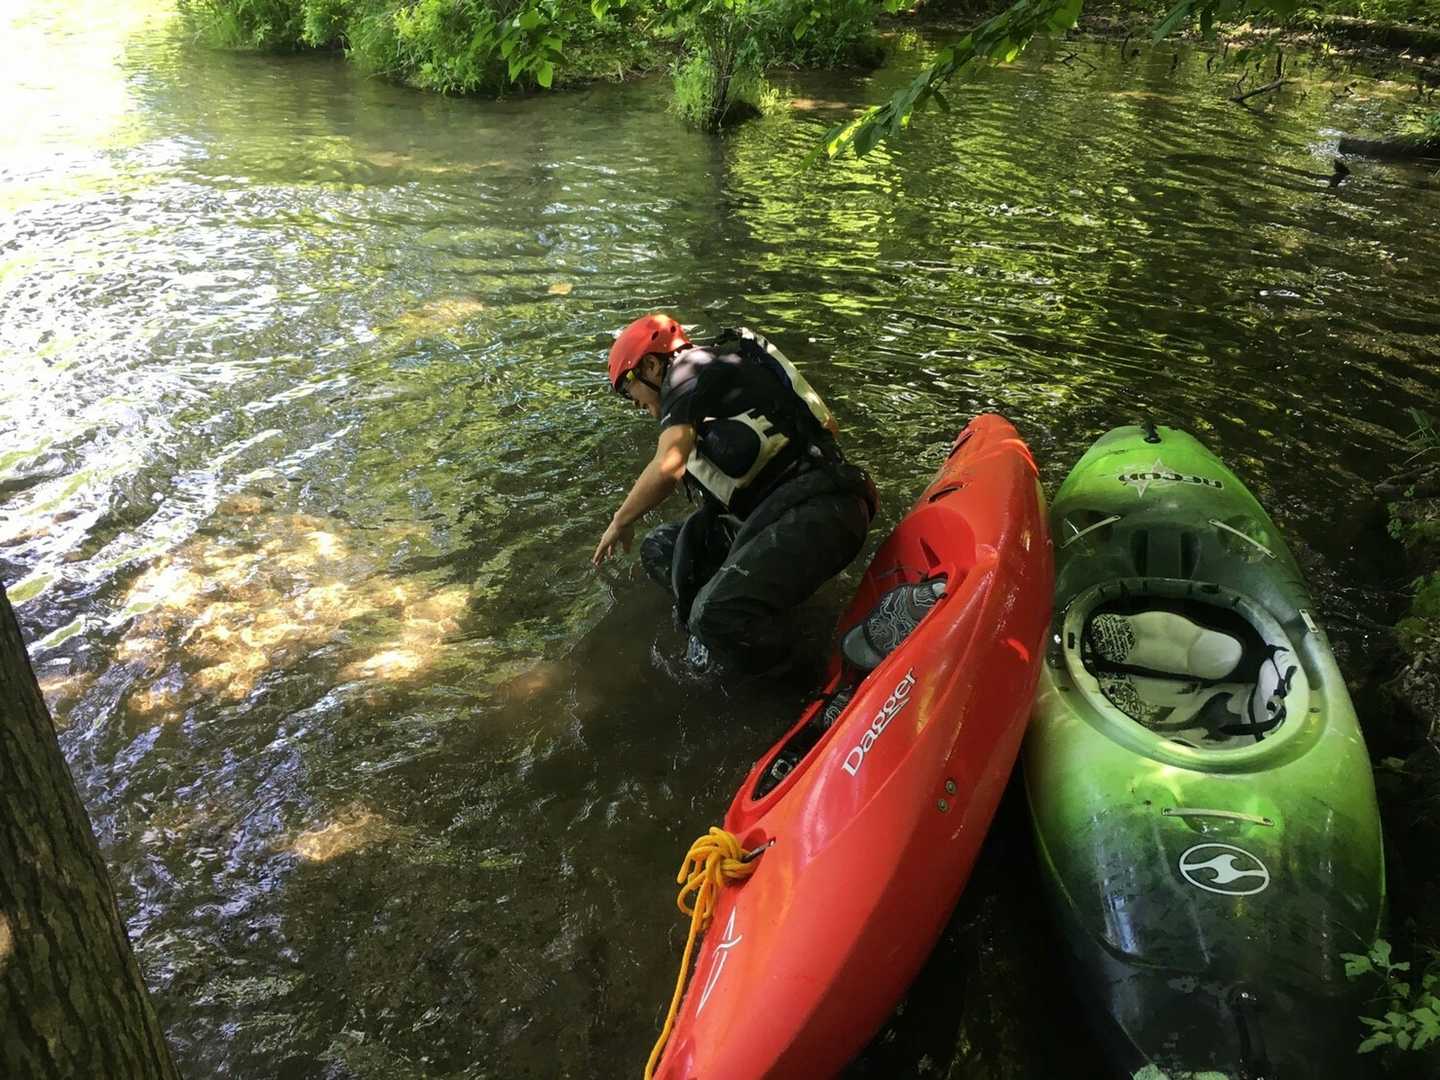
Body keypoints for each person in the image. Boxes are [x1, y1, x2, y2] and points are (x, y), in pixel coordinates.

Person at [592, 313, 876, 674]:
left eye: (627, 387)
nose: (631, 402)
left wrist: (619, 521)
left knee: (714, 616)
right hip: (783, 514)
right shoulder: (701, 381)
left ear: (650, 365)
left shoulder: (685, 372)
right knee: (660, 547)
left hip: (823, 510)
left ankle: (806, 682)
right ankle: (755, 622)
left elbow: (668, 467)